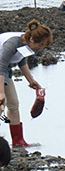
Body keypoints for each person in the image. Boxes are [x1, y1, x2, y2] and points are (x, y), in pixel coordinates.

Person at [0, 20, 52, 149]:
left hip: (4, 69)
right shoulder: (12, 43)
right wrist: (1, 92)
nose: (41, 48)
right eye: (40, 45)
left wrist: (31, 80)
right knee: (1, 103)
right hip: (0, 68)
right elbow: (0, 67)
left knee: (13, 104)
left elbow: (21, 59)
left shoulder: (25, 43)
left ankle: (18, 141)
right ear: (33, 39)